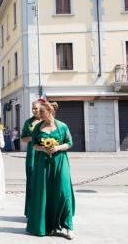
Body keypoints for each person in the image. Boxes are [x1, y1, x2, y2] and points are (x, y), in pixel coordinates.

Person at [26, 101, 75, 239]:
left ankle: (68, 226)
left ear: (50, 111)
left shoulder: (62, 126)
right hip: (43, 163)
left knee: (64, 192)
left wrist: (57, 148)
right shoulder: (38, 127)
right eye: (39, 112)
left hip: (60, 162)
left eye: (42, 112)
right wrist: (42, 148)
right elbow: (34, 144)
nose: (39, 114)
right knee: (45, 193)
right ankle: (49, 226)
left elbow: (69, 143)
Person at [21, 100, 43, 218]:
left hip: (43, 154)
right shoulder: (28, 122)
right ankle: (30, 212)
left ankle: (42, 211)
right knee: (31, 183)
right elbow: (23, 139)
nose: (34, 110)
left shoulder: (46, 121)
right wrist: (33, 137)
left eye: (36, 108)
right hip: (32, 155)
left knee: (42, 183)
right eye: (33, 108)